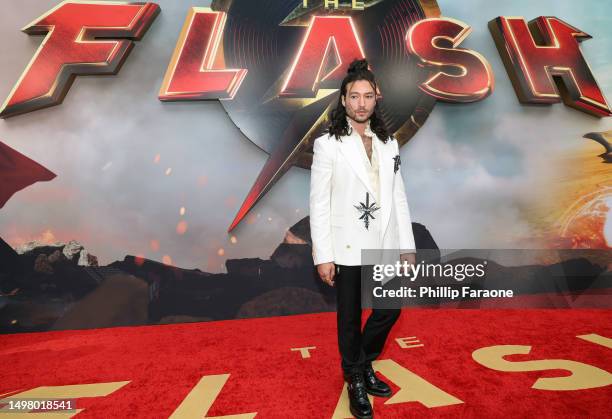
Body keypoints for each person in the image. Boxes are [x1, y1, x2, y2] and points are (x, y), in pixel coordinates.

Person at [309, 59, 416, 419]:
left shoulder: (390, 143)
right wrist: (323, 254)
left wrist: (407, 246)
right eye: (353, 96)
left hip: (384, 241)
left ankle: (363, 361)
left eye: (367, 96)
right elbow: (319, 202)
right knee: (350, 317)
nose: (360, 103)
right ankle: (355, 376)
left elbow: (398, 195)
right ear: (343, 100)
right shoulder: (328, 144)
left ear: (377, 98)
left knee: (389, 308)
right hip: (347, 244)